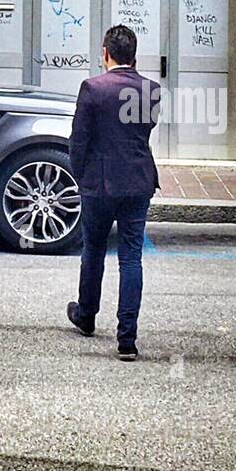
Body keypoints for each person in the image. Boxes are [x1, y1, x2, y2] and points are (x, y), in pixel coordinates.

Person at [67, 24, 161, 361]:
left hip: (100, 184)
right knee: (131, 256)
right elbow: (142, 132)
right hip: (138, 182)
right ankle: (127, 339)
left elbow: (79, 140)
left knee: (93, 248)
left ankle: (87, 315)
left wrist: (80, 175)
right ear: (133, 56)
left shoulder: (93, 88)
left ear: (105, 54)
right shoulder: (152, 89)